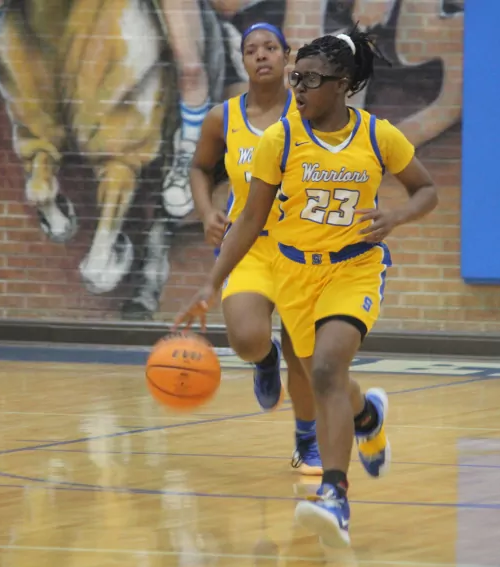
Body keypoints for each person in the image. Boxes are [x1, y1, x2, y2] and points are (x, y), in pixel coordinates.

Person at [175, 26, 438, 547]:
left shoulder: (378, 135)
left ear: (342, 85)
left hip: (353, 269)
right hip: (294, 272)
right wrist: (211, 282)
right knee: (332, 383)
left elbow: (426, 189)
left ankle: (334, 496)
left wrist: (397, 215)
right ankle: (368, 416)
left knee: (325, 370)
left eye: (310, 80)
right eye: (297, 78)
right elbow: (249, 220)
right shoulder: (281, 140)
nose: (298, 88)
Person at [188, 22, 322, 475]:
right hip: (248, 246)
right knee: (246, 340)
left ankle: (308, 441)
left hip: (301, 248)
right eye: (251, 50)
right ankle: (264, 360)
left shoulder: (307, 113)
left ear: (287, 57)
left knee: (303, 354)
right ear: (242, 59)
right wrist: (207, 212)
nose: (261, 55)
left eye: (270, 48)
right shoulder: (221, 118)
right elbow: (200, 168)